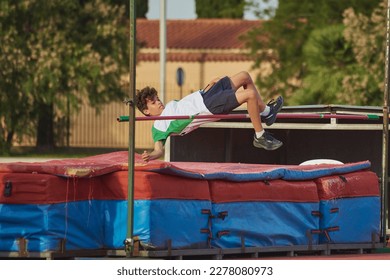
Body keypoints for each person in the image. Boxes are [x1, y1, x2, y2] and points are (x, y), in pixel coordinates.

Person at [136, 71, 283, 162]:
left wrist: (207, 87)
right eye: (153, 103)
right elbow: (159, 150)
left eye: (157, 98)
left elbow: (189, 101)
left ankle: (266, 113)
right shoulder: (159, 126)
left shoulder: (170, 105)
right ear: (147, 112)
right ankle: (259, 136)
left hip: (205, 95)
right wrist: (151, 156)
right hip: (208, 107)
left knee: (244, 76)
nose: (158, 102)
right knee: (249, 95)